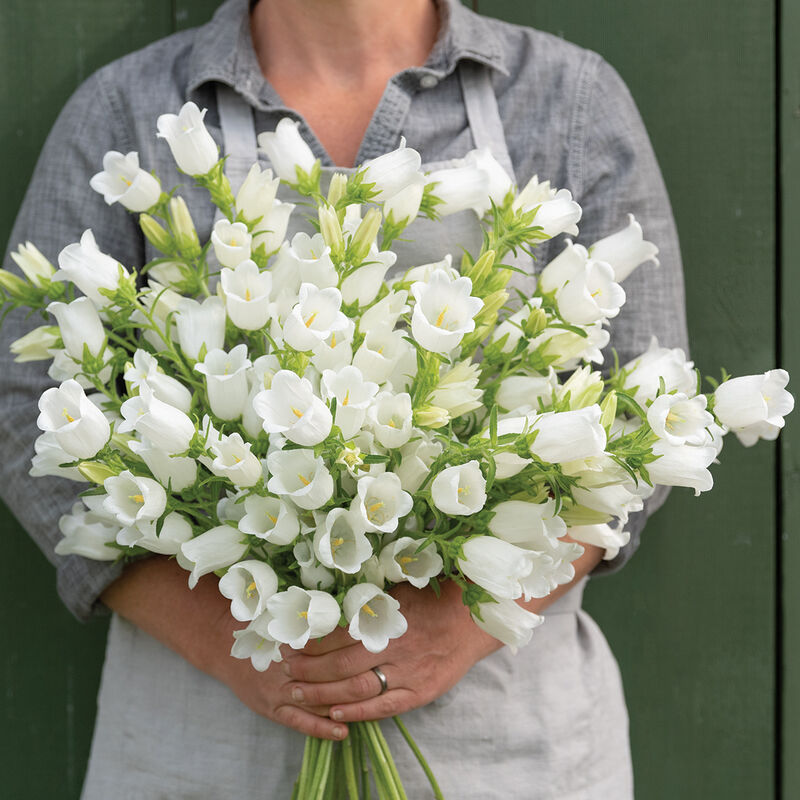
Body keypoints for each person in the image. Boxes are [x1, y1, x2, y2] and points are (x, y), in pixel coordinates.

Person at [0, 0, 688, 796]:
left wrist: (459, 627)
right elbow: (26, 410)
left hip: (501, 747)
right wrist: (228, 641)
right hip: (208, 738)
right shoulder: (130, 103)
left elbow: (641, 414)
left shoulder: (568, 99)